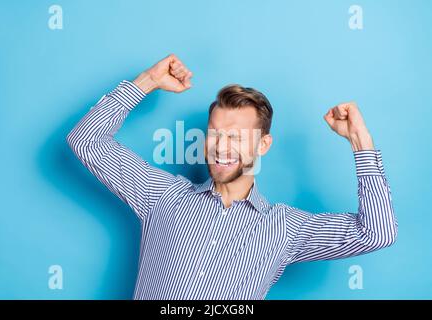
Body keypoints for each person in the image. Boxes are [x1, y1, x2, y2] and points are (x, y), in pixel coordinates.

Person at [66, 53, 398, 300]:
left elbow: (377, 232)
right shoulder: (163, 196)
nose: (222, 147)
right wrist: (148, 81)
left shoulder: (283, 228)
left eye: (237, 136)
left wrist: (360, 142)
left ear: (263, 145)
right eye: (215, 134)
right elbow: (86, 140)